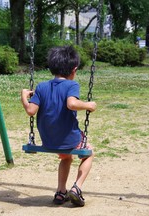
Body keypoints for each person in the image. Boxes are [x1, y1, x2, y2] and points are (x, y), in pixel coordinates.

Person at [21, 45, 97, 207]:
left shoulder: (41, 87)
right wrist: (88, 105)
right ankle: (76, 188)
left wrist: (23, 97)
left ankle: (61, 192)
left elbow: (30, 110)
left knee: (66, 157)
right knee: (88, 152)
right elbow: (71, 104)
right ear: (74, 70)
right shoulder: (71, 85)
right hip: (69, 139)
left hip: (49, 141)